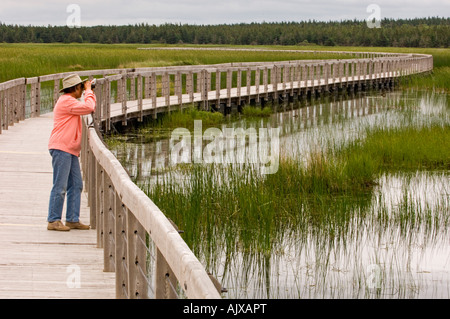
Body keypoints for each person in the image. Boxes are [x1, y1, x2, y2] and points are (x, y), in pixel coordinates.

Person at [47, 74, 96, 231]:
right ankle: (53, 220)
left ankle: (72, 219)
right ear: (75, 88)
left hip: (69, 149)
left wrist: (88, 90)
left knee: (76, 184)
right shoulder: (67, 101)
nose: (82, 91)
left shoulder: (69, 101)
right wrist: (89, 91)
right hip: (61, 148)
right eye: (80, 87)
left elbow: (84, 106)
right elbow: (89, 107)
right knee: (60, 186)